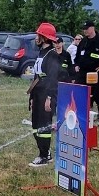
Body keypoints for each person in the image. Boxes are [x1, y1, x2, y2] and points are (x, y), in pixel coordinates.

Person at [27, 23, 60, 167]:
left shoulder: (52, 55)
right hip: (38, 93)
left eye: (38, 35)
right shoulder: (41, 52)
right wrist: (32, 97)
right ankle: (44, 152)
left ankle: (44, 155)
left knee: (44, 127)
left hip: (47, 95)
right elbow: (37, 76)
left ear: (44, 37)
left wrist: (49, 98)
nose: (36, 37)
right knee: (36, 125)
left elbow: (53, 78)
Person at [74, 20, 99, 123]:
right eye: (83, 29)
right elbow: (77, 55)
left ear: (92, 28)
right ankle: (81, 113)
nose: (85, 31)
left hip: (96, 74)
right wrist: (77, 65)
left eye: (86, 28)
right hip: (83, 73)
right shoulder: (83, 41)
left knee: (98, 95)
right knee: (80, 92)